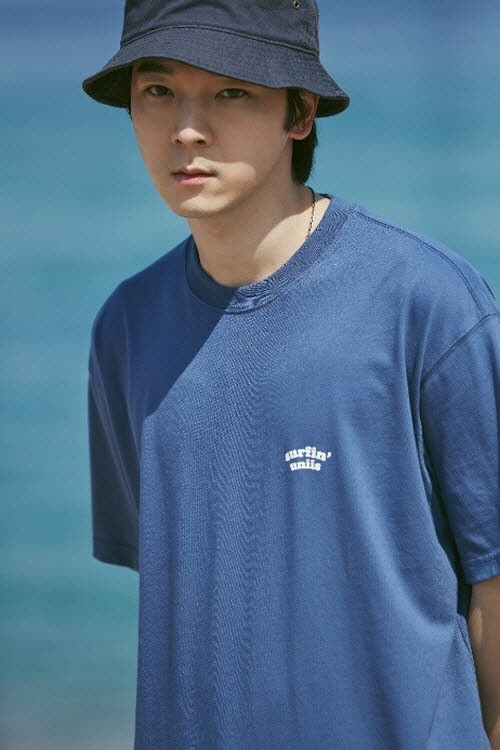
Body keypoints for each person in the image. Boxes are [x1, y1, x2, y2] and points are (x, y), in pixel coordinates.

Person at [82, 1, 500, 748]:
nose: (187, 128)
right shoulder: (125, 328)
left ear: (300, 112)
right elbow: (186, 591)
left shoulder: (429, 303)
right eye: (158, 90)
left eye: (231, 91)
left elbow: (494, 588)